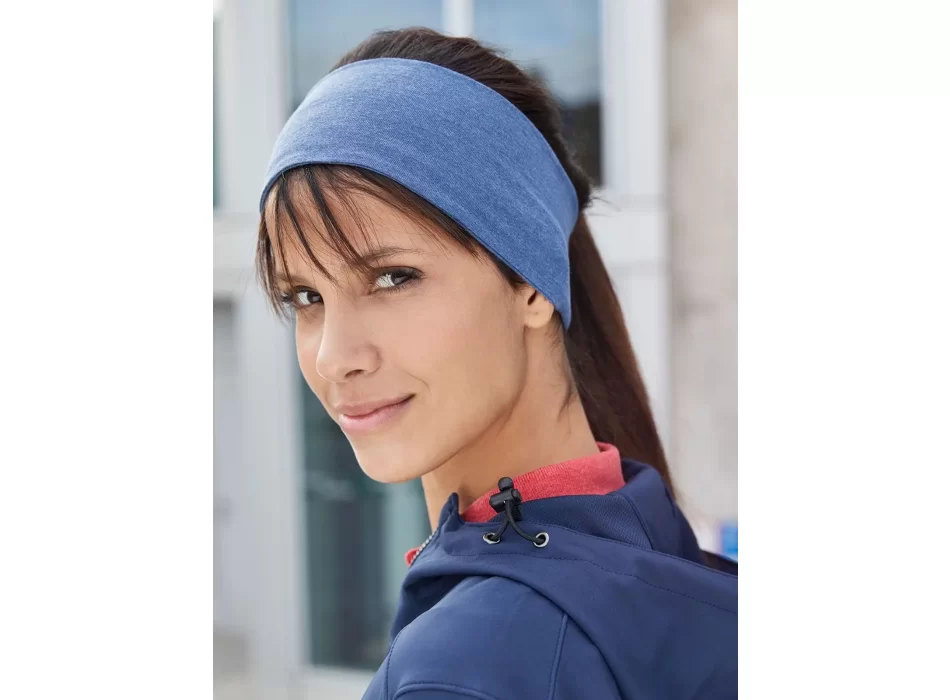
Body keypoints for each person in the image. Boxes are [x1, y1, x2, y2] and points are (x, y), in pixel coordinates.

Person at [257, 27, 737, 700]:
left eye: (393, 278)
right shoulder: (652, 539)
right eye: (305, 297)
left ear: (532, 283)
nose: (335, 357)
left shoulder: (465, 667)